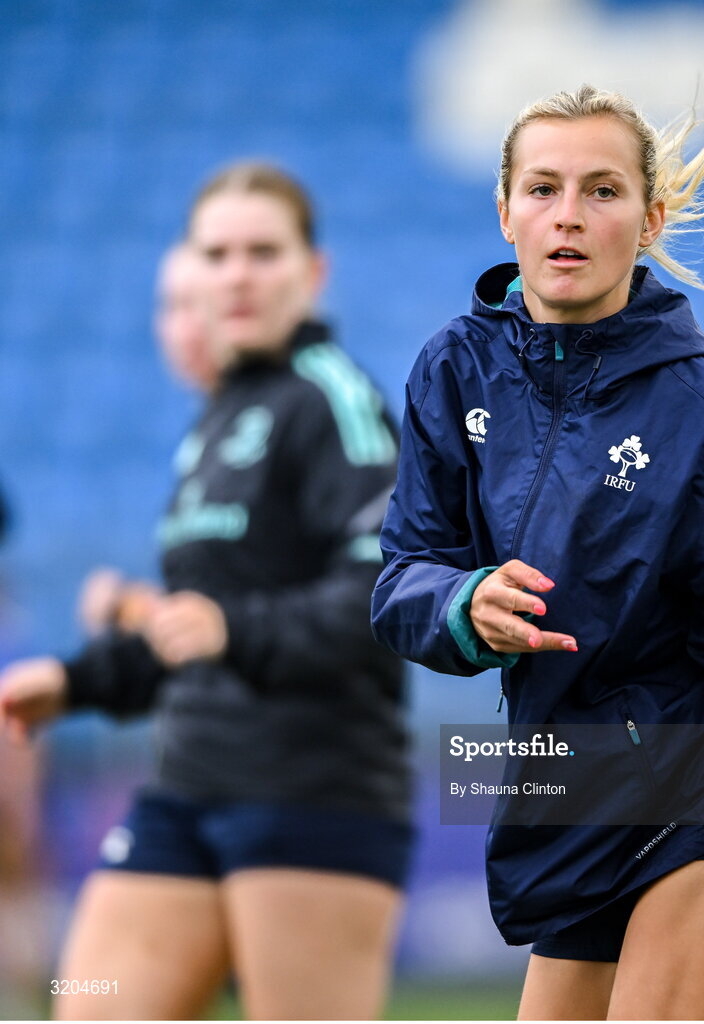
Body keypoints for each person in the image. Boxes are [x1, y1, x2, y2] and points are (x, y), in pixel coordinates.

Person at [371, 84, 704, 1021]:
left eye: (602, 191)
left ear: (649, 221)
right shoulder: (452, 370)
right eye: (544, 188)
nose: (568, 215)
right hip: (577, 792)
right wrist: (460, 602)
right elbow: (403, 573)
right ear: (505, 211)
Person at [0, 162, 412, 1020]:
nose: (237, 273)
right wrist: (75, 682)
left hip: (311, 794)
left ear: (314, 271)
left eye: (264, 251)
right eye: (216, 252)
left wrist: (234, 629)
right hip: (184, 790)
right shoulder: (220, 418)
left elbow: (385, 597)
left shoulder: (333, 402)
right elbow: (194, 625)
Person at [77, 244, 217, 639]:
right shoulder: (210, 428)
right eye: (170, 306)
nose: (182, 327)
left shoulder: (301, 408)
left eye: (195, 303)